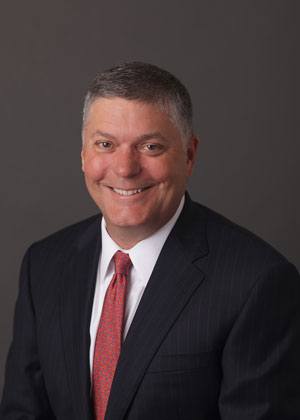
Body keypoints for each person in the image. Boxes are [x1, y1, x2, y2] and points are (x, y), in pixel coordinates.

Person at [1, 62, 300, 420]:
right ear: (83, 154)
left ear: (189, 155)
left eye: (151, 146)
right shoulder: (44, 264)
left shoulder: (257, 282)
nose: (125, 168)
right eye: (105, 144)